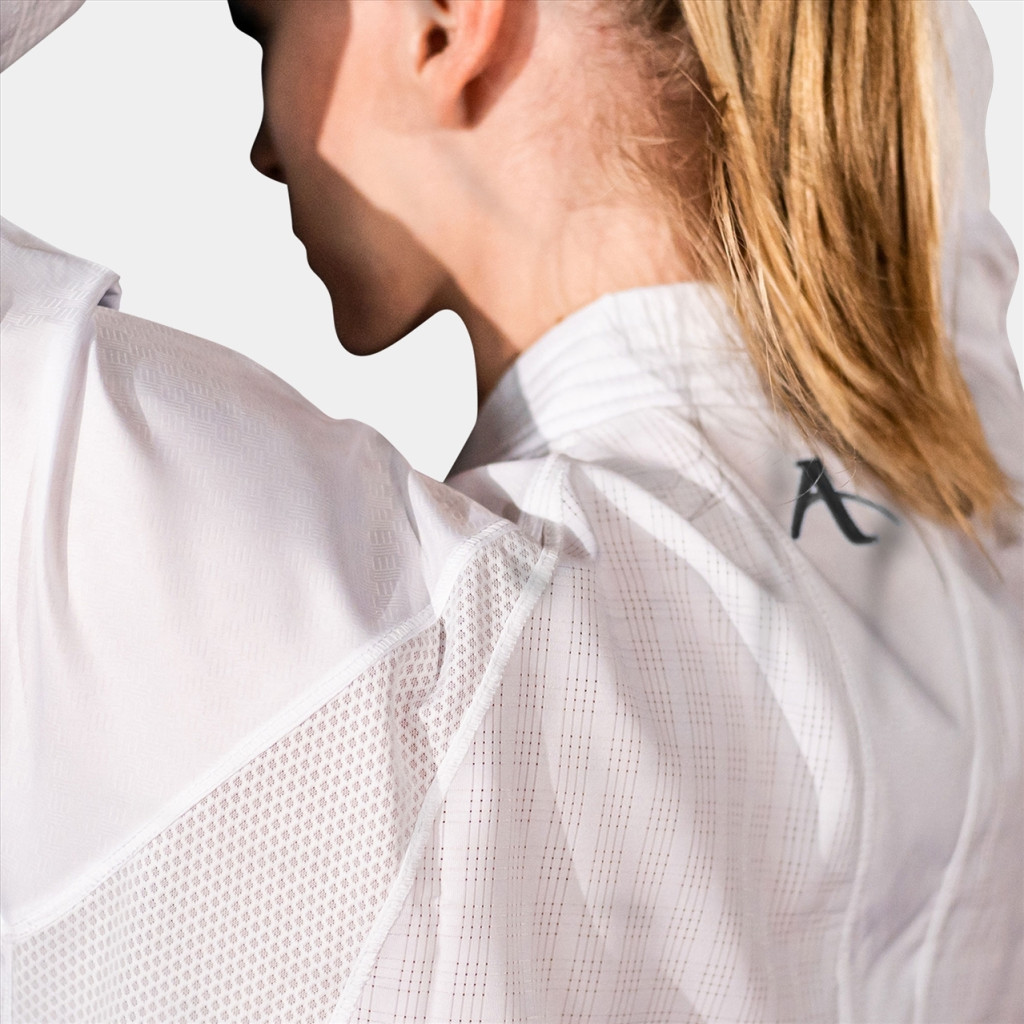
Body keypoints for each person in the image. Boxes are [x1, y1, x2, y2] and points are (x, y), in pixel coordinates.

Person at [1, 2, 1020, 1023]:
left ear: (445, 24)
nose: (264, 147)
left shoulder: (385, 653)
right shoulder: (974, 489)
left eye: (261, 30)